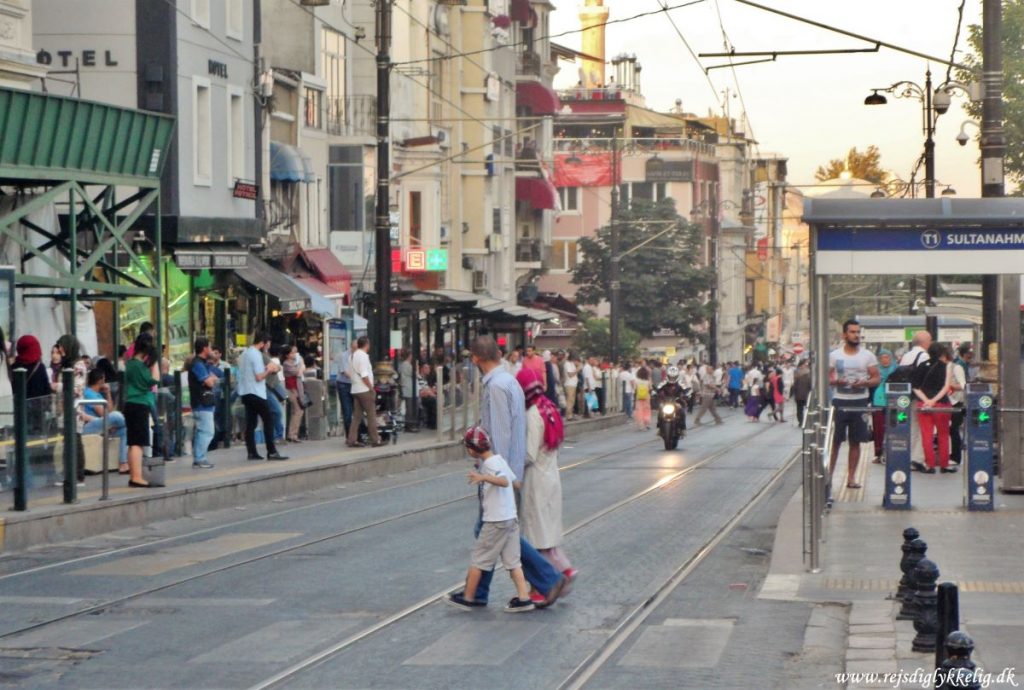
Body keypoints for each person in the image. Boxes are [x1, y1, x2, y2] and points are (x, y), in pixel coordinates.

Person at [457, 335, 565, 609]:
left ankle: (546, 577)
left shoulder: (496, 387)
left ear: (476, 358)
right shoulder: (509, 381)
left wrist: (494, 471)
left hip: (499, 473)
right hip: (508, 471)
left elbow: (501, 434)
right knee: (493, 529)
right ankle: (478, 593)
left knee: (493, 528)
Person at [446, 426, 535, 613]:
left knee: (479, 559)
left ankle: (468, 597)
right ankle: (524, 598)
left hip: (496, 520)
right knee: (513, 562)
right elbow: (515, 482)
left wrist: (482, 477)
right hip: (510, 518)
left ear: (471, 450)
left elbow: (503, 481)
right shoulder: (500, 460)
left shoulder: (490, 465)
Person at [516, 368, 576, 592]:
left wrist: (510, 464)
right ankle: (563, 568)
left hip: (536, 480)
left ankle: (543, 585)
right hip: (551, 475)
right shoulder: (549, 406)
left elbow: (529, 454)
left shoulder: (533, 413)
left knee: (535, 534)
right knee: (547, 530)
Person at [828, 319, 880, 490]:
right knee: (835, 441)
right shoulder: (835, 356)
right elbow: (827, 378)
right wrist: (836, 381)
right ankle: (829, 476)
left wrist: (864, 383)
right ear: (844, 335)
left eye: (858, 332)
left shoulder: (868, 356)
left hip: (860, 401)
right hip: (840, 401)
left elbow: (876, 378)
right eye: (852, 332)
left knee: (855, 441)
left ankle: (851, 478)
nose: (856, 335)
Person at [237, 331, 288, 461]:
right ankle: (271, 451)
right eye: (267, 344)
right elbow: (259, 376)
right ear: (262, 343)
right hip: (256, 392)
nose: (268, 346)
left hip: (245, 392)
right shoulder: (256, 355)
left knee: (251, 422)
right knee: (268, 420)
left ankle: (252, 452)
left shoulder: (244, 354)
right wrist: (269, 370)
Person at [911, 342, 955, 474]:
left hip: (922, 404)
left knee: (926, 435)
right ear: (942, 353)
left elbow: (915, 387)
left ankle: (929, 465)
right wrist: (934, 401)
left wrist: (926, 401)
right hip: (942, 404)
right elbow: (946, 387)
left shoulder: (922, 365)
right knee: (943, 434)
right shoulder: (947, 366)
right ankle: (944, 464)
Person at [124, 339, 160, 487]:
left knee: (132, 442)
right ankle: (137, 477)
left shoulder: (130, 364)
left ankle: (133, 475)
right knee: (138, 443)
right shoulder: (140, 367)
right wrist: (155, 363)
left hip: (130, 404)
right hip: (140, 404)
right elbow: (154, 380)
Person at [80, 367, 129, 473]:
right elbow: (105, 414)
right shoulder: (88, 393)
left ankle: (123, 463)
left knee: (125, 430)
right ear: (101, 380)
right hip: (89, 425)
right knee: (117, 416)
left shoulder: (99, 394)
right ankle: (132, 423)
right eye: (104, 379)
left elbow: (109, 411)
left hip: (100, 424)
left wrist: (108, 393)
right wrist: (110, 423)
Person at [900, 330, 932, 469]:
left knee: (911, 426)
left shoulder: (906, 356)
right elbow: (926, 378)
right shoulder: (924, 356)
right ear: (924, 342)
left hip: (905, 395)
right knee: (920, 427)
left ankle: (908, 457)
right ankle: (917, 458)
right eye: (929, 341)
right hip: (918, 396)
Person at [347, 336, 383, 448]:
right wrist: (371, 387)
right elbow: (364, 375)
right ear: (367, 344)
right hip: (364, 390)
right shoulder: (363, 356)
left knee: (357, 416)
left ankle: (351, 439)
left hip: (355, 389)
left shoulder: (352, 356)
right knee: (371, 415)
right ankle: (375, 440)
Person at [188, 337, 218, 469]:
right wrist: (211, 379)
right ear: (205, 348)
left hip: (203, 402)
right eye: (210, 347)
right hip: (201, 402)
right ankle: (200, 458)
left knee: (204, 430)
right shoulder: (198, 364)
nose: (211, 350)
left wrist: (211, 378)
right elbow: (210, 381)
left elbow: (213, 378)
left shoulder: (202, 363)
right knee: (206, 431)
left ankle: (200, 457)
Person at [871, 350, 898, 464]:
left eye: (887, 357)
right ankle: (879, 453)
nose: (885, 359)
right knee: (878, 429)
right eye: (882, 357)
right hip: (878, 402)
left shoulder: (896, 369)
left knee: (895, 426)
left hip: (894, 402)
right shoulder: (876, 371)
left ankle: (894, 452)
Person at [282, 344, 306, 443]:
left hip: (297, 389)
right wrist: (301, 366)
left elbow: (302, 368)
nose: (294, 354)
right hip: (292, 390)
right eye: (292, 352)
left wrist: (301, 365)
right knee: (298, 411)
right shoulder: (287, 364)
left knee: (296, 411)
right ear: (287, 355)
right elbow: (299, 372)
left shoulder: (294, 362)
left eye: (295, 352)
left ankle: (292, 434)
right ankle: (293, 434)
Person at [949, 345, 968, 466]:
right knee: (949, 430)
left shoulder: (957, 367)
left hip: (956, 402)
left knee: (953, 429)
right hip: (947, 401)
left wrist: (949, 386)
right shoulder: (943, 368)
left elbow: (962, 385)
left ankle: (956, 457)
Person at [333, 340, 355, 435]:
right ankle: (349, 435)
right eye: (355, 348)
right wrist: (358, 379)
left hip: (354, 385)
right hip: (344, 385)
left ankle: (357, 434)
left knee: (357, 411)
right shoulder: (344, 356)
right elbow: (345, 372)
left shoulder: (359, 356)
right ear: (351, 347)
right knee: (347, 411)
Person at [791, 360, 812, 427]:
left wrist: (793, 393)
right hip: (806, 394)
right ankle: (805, 421)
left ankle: (801, 421)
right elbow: (810, 385)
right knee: (807, 408)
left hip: (799, 394)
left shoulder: (796, 372)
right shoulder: (809, 373)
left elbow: (794, 385)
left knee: (799, 409)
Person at [634, 365, 652, 430]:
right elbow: (650, 389)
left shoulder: (636, 381)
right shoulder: (648, 381)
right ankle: (646, 423)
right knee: (646, 410)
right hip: (646, 397)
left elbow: (635, 389)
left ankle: (640, 424)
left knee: (639, 410)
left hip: (638, 397)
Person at [563, 352, 578, 420]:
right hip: (569, 384)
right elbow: (570, 375)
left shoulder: (572, 364)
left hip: (573, 384)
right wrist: (578, 369)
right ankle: (568, 415)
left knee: (572, 400)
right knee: (569, 400)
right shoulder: (567, 364)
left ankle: (571, 414)